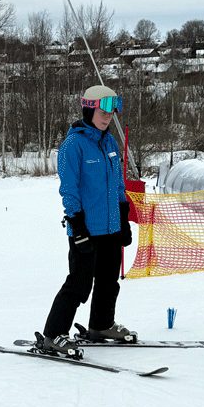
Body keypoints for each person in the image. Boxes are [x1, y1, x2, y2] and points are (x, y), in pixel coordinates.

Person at [34, 85, 136, 359]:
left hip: (111, 229)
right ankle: (53, 334)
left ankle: (101, 326)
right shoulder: (73, 145)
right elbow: (70, 190)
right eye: (103, 111)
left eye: (111, 111)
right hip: (86, 230)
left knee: (108, 282)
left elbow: (117, 186)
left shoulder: (110, 143)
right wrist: (77, 226)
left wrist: (123, 220)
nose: (107, 116)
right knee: (79, 285)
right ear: (89, 109)